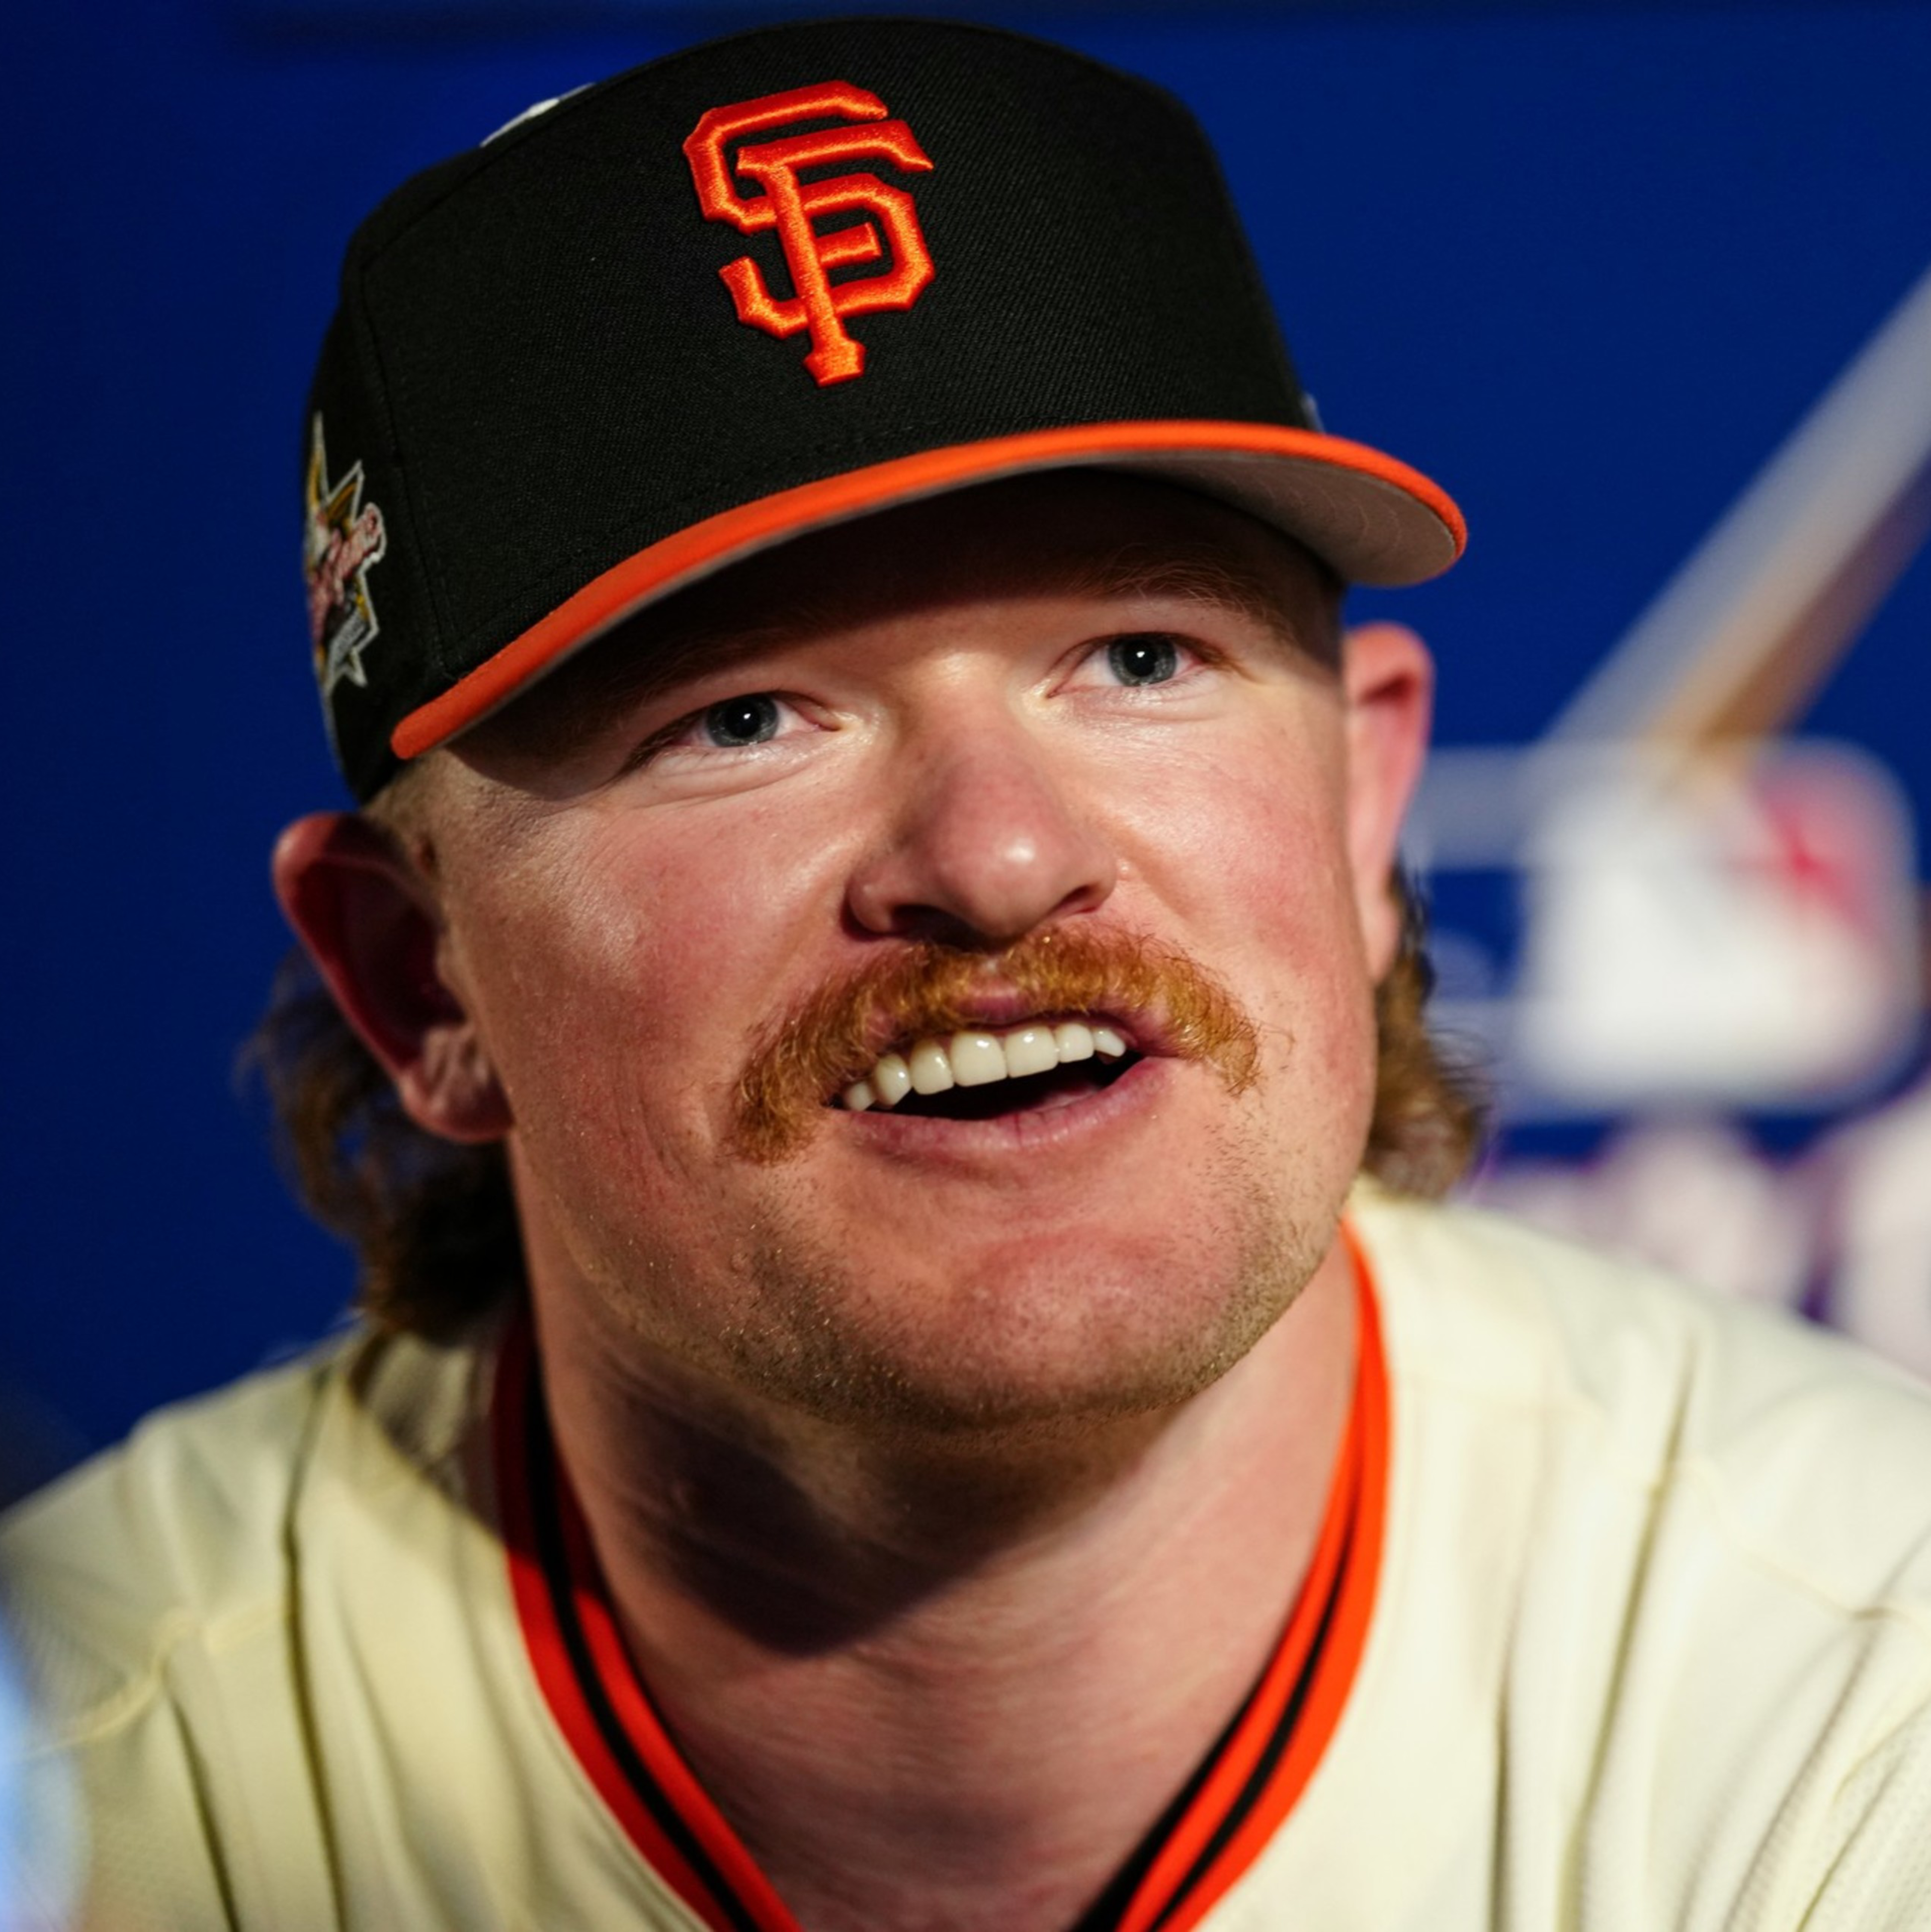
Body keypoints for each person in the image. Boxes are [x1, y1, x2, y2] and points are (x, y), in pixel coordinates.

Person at [5, 18, 1931, 1930]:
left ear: (1362, 813)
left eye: (1141, 658)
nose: (1000, 859)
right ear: (420, 977)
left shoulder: (1855, 1689)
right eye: (741, 715)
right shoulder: (90, 1799)